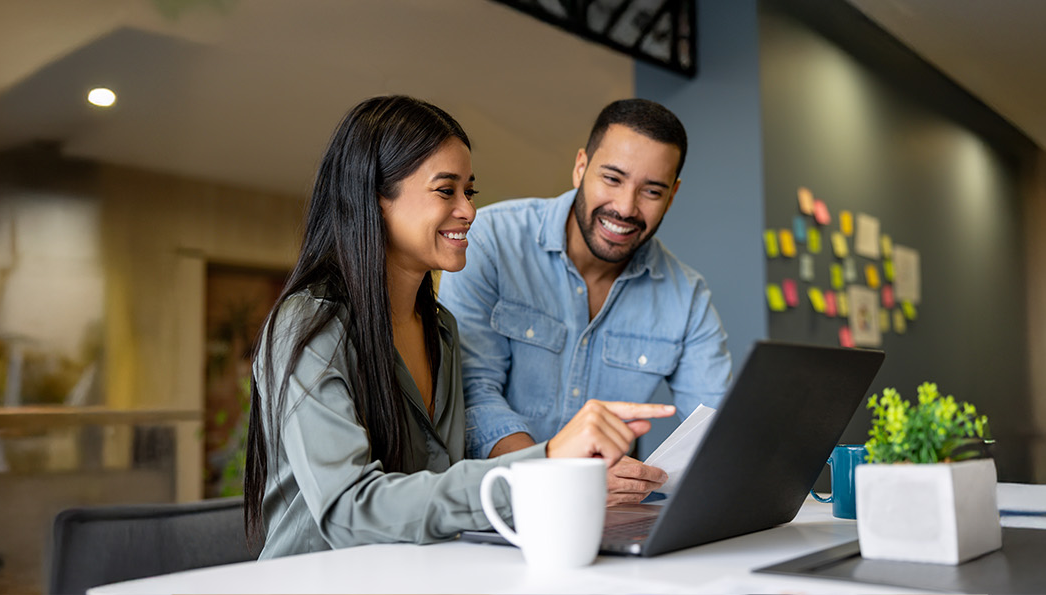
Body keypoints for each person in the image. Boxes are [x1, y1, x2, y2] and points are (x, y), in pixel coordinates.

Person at [241, 96, 674, 559]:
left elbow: (443, 483)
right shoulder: (307, 326)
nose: (468, 210)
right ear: (374, 197)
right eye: (446, 191)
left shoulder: (440, 328)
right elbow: (350, 511)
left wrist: (569, 481)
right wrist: (544, 464)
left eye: (470, 192)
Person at [440, 99, 731, 506]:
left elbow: (716, 427)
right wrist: (557, 477)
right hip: (495, 507)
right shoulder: (490, 242)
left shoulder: (687, 296)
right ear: (581, 167)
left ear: (672, 195)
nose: (626, 207)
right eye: (612, 179)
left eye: (651, 191)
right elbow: (472, 393)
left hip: (609, 514)